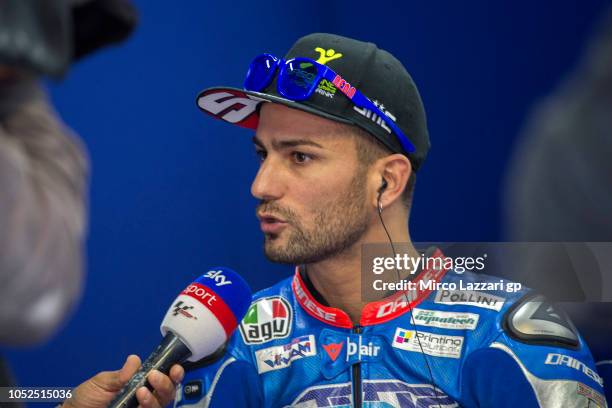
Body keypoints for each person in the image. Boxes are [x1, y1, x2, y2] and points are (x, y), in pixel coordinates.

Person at [66, 33, 607, 408]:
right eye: (262, 155)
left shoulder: (510, 334)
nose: (261, 187)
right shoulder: (234, 345)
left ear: (387, 182)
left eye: (299, 156)